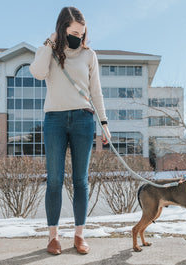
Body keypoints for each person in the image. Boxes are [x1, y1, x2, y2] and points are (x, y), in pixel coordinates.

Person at [30, 6, 111, 255]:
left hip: (83, 120)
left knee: (80, 181)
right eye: (74, 31)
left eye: (82, 33)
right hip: (54, 120)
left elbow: (96, 91)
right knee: (54, 180)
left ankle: (79, 235)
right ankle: (53, 236)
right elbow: (37, 72)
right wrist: (49, 42)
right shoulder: (50, 52)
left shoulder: (89, 55)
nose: (78, 36)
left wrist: (104, 123)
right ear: (63, 29)